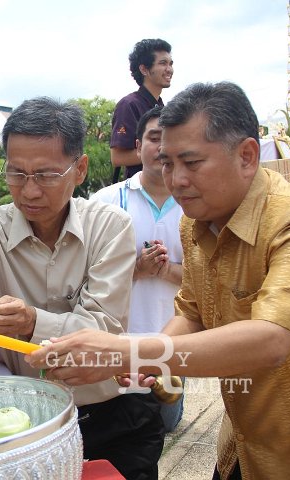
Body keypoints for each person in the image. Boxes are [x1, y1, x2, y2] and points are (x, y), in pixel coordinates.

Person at [28, 82, 290, 480]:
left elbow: (271, 339)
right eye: (167, 163)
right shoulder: (195, 225)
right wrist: (149, 360)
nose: (176, 179)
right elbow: (192, 312)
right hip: (241, 444)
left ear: (247, 156)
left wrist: (129, 352)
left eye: (192, 162)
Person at [0, 97, 165, 479]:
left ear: (80, 169)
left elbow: (103, 328)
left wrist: (32, 322)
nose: (29, 191)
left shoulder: (109, 226)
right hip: (25, 424)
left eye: (46, 175)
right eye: (16, 173)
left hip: (113, 418)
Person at [92, 106, 185, 432]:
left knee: (167, 425)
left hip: (174, 342)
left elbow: (210, 279)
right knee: (121, 430)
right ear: (137, 145)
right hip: (118, 343)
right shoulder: (106, 202)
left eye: (170, 140)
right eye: (154, 138)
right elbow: (83, 276)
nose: (161, 148)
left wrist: (166, 270)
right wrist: (136, 268)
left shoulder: (195, 204)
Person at [110, 39, 173, 183]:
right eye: (163, 63)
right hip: (138, 189)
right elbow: (117, 158)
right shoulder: (129, 104)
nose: (169, 69)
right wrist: (168, 152)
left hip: (164, 187)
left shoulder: (162, 107)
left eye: (171, 64)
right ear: (144, 69)